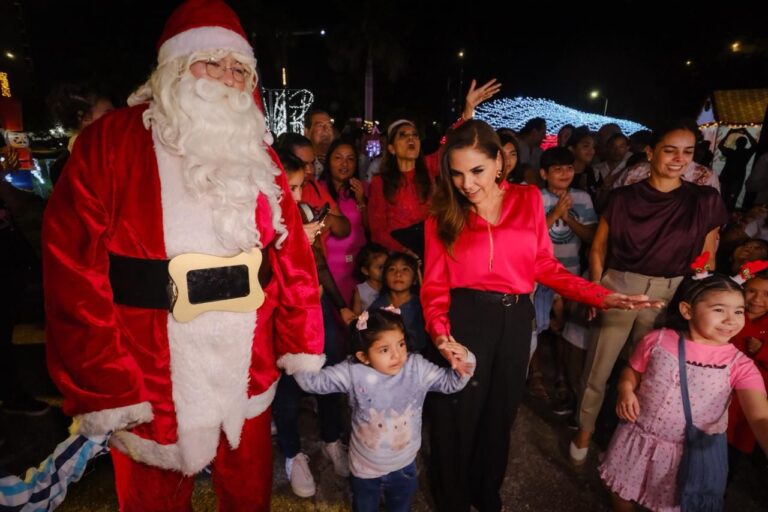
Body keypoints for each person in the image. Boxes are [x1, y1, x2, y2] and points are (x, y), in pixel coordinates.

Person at [41, 1, 324, 509]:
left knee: (248, 493)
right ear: (174, 67)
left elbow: (291, 253)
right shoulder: (111, 143)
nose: (226, 78)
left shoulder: (256, 150)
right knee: (153, 500)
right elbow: (72, 267)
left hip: (247, 360)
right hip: (149, 367)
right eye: (210, 62)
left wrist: (300, 335)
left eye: (238, 67)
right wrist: (106, 379)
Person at [421, 120, 660, 511]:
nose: (467, 183)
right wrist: (441, 334)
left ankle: (486, 495)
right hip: (464, 319)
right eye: (458, 173)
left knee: (499, 417)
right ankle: (451, 501)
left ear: (498, 162)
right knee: (456, 417)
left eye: (477, 170)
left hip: (516, 319)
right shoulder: (441, 213)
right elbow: (433, 287)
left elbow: (544, 266)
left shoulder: (527, 198)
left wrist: (602, 297)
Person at [571, 120, 730, 465]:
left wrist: (701, 298)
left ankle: (628, 441)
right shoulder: (624, 197)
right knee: (599, 366)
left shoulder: (704, 200)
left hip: (670, 293)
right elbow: (598, 248)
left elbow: (708, 255)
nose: (678, 159)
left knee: (647, 374)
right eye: (670, 150)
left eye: (687, 152)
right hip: (620, 285)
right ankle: (584, 430)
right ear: (651, 152)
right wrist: (596, 288)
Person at [599, 274, 768, 512]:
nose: (731, 320)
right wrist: (626, 389)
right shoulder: (657, 340)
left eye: (739, 311)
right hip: (636, 438)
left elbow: (760, 416)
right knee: (620, 490)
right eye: (719, 309)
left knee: (671, 505)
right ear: (687, 310)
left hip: (684, 455)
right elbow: (633, 370)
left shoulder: (740, 365)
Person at [294, 308, 475, 512]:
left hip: (405, 465)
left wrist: (465, 359)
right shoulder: (353, 371)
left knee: (400, 507)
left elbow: (451, 383)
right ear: (363, 356)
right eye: (384, 350)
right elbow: (313, 383)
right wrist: (299, 353)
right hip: (364, 468)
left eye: (401, 344)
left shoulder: (416, 368)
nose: (397, 355)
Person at [368, 79, 500, 256]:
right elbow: (377, 231)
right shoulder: (379, 182)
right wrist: (405, 252)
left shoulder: (430, 166)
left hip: (430, 246)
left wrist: (468, 110)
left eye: (414, 135)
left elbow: (452, 143)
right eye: (403, 135)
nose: (411, 139)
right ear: (391, 148)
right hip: (397, 256)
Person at [320, 139, 369, 303]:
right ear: (329, 161)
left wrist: (361, 200)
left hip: (356, 269)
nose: (344, 164)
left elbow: (371, 228)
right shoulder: (317, 188)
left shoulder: (363, 188)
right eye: (338, 158)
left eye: (350, 159)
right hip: (326, 268)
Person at [728, 269, 768, 464]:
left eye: (767, 294)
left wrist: (763, 350)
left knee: (735, 449)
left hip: (754, 399)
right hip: (721, 392)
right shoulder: (728, 312)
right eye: (751, 291)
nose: (757, 299)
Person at [46, 83, 114, 185]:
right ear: (84, 117)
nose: (117, 118)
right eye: (108, 114)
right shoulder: (64, 169)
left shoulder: (123, 145)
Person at [370, 252, 427, 352]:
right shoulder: (377, 306)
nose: (398, 274)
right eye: (392, 269)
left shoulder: (421, 305)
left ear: (414, 279)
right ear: (385, 278)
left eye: (405, 269)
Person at [718, 127, 757, 211]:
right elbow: (755, 145)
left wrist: (729, 133)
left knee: (723, 199)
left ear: (736, 143)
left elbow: (720, 145)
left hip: (727, 178)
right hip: (736, 179)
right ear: (745, 144)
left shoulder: (731, 152)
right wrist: (746, 132)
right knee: (731, 200)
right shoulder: (746, 153)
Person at [352, 243, 389, 315]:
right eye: (380, 267)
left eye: (387, 265)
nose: (385, 270)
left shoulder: (391, 285)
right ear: (365, 270)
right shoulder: (360, 290)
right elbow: (356, 316)